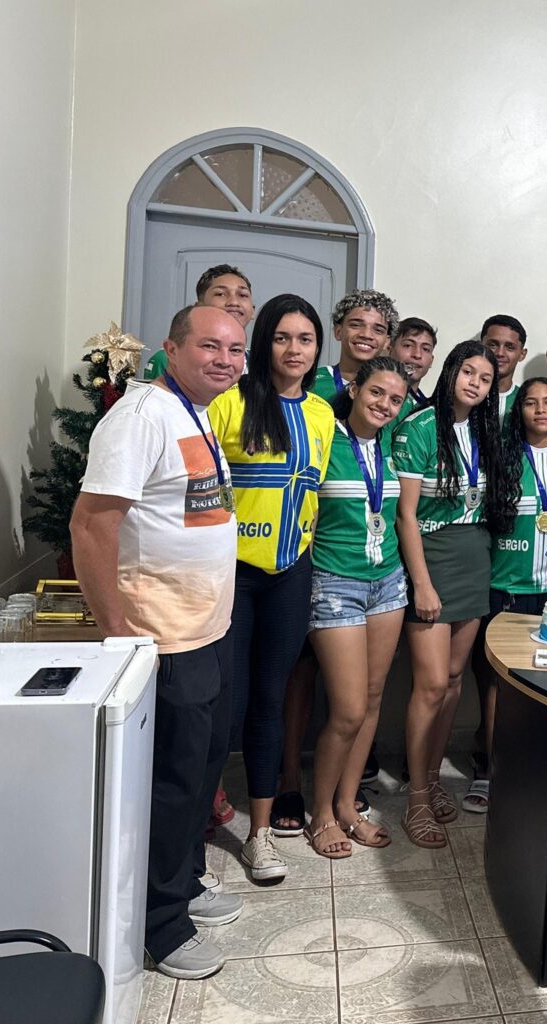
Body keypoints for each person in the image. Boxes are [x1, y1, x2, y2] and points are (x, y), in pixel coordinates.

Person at [72, 304, 246, 981]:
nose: (226, 360)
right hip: (163, 640)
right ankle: (162, 927)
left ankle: (186, 883)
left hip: (208, 630)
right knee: (172, 787)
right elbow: (91, 525)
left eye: (235, 349)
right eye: (210, 346)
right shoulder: (141, 416)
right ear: (171, 348)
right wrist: (117, 628)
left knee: (200, 774)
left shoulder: (194, 412)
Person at [208, 294, 334, 882]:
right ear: (264, 342)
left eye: (305, 340)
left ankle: (260, 836)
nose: (294, 350)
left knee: (269, 703)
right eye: (283, 337)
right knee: (223, 705)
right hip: (231, 573)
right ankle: (196, 831)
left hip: (291, 573)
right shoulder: (229, 404)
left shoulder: (322, 414)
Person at [392, 341, 519, 847]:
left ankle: (430, 781)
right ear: (450, 373)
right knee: (427, 685)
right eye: (467, 371)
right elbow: (405, 515)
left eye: (484, 378)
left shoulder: (489, 433)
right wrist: (420, 582)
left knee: (451, 681)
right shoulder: (419, 428)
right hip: (433, 556)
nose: (474, 382)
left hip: (475, 555)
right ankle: (416, 799)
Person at [300, 357, 412, 859]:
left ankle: (347, 806)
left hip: (387, 583)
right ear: (355, 389)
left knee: (371, 700)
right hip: (335, 583)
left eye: (395, 399)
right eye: (377, 393)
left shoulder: (392, 445)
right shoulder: (325, 438)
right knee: (346, 709)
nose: (385, 405)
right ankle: (319, 812)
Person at [466, 378, 547, 813]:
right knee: (500, 686)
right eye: (531, 403)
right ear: (520, 411)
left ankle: (537, 771)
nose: (540, 410)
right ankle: (492, 771)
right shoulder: (502, 458)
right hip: (506, 588)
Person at [144, 264, 254, 380]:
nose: (234, 302)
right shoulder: (168, 357)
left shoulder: (261, 361)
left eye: (242, 295)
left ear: (253, 311)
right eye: (220, 294)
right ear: (198, 307)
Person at [309, 289, 398, 400]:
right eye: (356, 325)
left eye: (378, 330)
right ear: (338, 331)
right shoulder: (311, 383)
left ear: (387, 342)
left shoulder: (396, 395)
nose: (366, 335)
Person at [481, 314, 527, 418]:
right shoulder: (464, 397)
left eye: (509, 347)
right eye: (492, 345)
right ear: (480, 347)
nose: (500, 353)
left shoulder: (527, 400)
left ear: (522, 354)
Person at [391, 316, 438, 411]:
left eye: (425, 349)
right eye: (408, 345)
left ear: (431, 361)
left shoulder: (427, 412)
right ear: (389, 349)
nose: (417, 355)